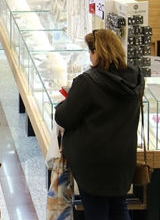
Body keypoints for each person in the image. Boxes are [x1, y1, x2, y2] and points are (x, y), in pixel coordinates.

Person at [54, 29, 144, 220]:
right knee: (119, 207)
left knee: (96, 211)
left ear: (97, 52)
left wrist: (63, 104)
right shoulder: (135, 78)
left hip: (92, 163)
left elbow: (64, 118)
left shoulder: (88, 82)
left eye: (90, 51)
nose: (90, 56)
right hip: (122, 158)